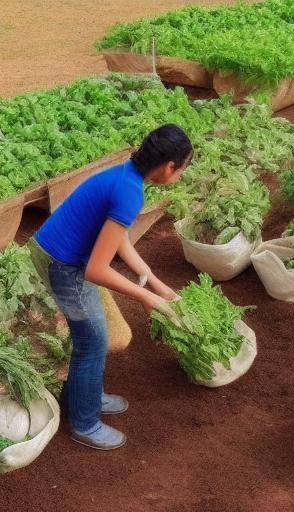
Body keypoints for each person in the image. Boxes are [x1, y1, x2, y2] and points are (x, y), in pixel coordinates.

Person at [28, 124, 193, 450]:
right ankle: (84, 422)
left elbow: (120, 242)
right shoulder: (129, 192)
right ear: (170, 166)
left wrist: (158, 284)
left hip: (61, 255)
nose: (180, 176)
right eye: (183, 169)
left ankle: (84, 394)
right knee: (93, 341)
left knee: (91, 338)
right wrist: (145, 296)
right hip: (61, 264)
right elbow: (96, 270)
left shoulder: (126, 176)